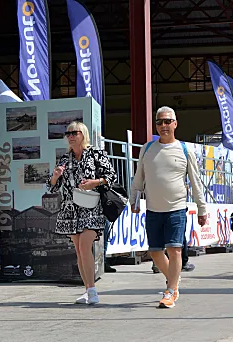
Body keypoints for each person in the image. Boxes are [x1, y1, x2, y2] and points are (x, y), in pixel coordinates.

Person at [130, 106, 207, 309]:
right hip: (153, 209)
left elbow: (196, 181)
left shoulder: (184, 149)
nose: (163, 126)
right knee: (155, 253)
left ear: (175, 123)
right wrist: (133, 200)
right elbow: (139, 178)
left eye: (167, 121)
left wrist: (202, 208)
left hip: (176, 208)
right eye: (159, 122)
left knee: (174, 250)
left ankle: (171, 290)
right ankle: (174, 280)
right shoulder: (147, 149)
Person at [47, 121, 117, 305]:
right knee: (79, 250)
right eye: (68, 134)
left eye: (74, 133)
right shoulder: (64, 159)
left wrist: (95, 182)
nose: (70, 137)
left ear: (82, 134)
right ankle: (87, 289)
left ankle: (92, 290)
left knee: (85, 247)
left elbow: (111, 176)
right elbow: (52, 187)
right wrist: (55, 176)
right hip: (70, 209)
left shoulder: (95, 154)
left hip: (91, 207)